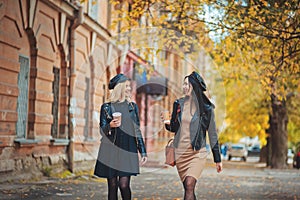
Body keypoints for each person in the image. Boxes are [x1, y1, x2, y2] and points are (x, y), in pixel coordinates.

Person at [162, 71, 222, 200]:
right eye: (183, 84)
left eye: (187, 84)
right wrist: (167, 123)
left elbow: (212, 134)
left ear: (194, 86)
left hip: (197, 153)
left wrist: (217, 159)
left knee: (189, 184)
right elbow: (174, 128)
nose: (184, 87)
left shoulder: (207, 109)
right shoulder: (178, 104)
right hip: (180, 152)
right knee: (188, 188)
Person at [94, 73, 148, 200]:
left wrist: (143, 152)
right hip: (110, 149)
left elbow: (137, 130)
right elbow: (102, 130)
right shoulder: (106, 107)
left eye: (130, 86)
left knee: (123, 185)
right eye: (127, 86)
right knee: (112, 186)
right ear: (120, 88)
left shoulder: (132, 107)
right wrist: (110, 126)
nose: (129, 89)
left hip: (127, 149)